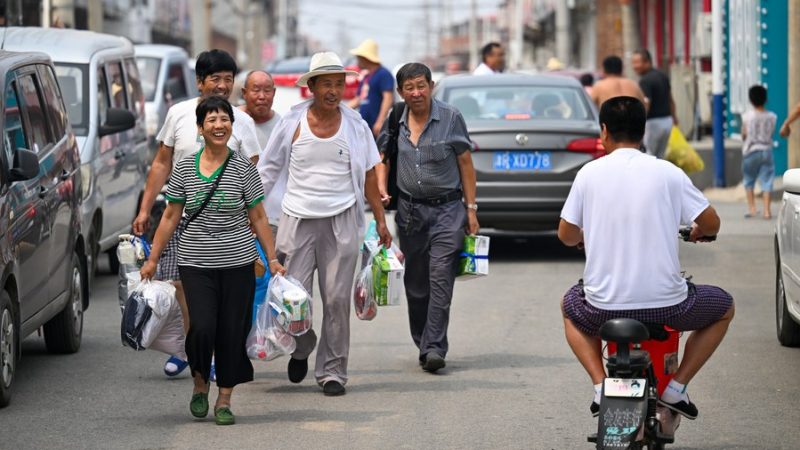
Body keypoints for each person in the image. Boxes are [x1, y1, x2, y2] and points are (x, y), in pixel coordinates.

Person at [558, 96, 734, 420]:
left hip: (601, 309)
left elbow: (566, 235)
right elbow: (712, 223)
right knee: (724, 307)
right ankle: (676, 389)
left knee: (569, 306)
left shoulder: (588, 174)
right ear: (643, 133)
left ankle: (601, 386)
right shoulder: (668, 173)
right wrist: (697, 231)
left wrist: (586, 235)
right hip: (669, 305)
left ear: (604, 131)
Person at [140, 96, 285, 425]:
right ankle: (200, 383)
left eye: (225, 120)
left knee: (233, 332)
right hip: (196, 263)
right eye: (212, 120)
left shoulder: (243, 168)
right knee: (202, 328)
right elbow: (170, 216)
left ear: (232, 126)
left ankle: (224, 399)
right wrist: (152, 259)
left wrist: (272, 258)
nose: (219, 126)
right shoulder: (185, 167)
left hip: (238, 263)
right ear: (200, 128)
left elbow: (259, 216)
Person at [258, 51, 392, 396]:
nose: (333, 91)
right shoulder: (292, 122)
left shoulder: (356, 125)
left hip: (343, 219)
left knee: (335, 300)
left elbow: (368, 177)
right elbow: (268, 171)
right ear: (312, 87)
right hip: (297, 220)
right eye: (326, 84)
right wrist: (249, 214)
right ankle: (303, 345)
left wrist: (380, 221)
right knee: (293, 299)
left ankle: (333, 371)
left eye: (338, 84)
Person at [132, 49, 261, 379]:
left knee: (221, 295)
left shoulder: (242, 121)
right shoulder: (178, 114)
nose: (222, 85)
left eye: (228, 80)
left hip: (227, 224)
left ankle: (212, 355)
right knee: (182, 286)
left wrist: (247, 214)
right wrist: (146, 208)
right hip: (183, 218)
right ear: (200, 81)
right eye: (215, 79)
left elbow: (252, 169)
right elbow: (162, 162)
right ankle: (194, 348)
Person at [376, 63, 479, 373]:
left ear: (431, 86)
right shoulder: (396, 118)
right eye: (410, 87)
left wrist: (471, 210)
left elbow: (465, 162)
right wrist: (381, 192)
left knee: (440, 277)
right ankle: (423, 339)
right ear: (401, 91)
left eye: (421, 85)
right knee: (416, 283)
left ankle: (434, 347)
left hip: (448, 210)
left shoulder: (450, 117)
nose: (416, 92)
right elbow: (383, 158)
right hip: (410, 213)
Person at [239, 70, 282, 234]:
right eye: (256, 90)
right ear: (244, 93)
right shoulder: (229, 121)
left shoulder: (284, 127)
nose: (262, 96)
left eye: (267, 90)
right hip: (236, 218)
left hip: (272, 220)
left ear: (274, 93)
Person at [632, 49, 678, 158]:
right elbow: (670, 98)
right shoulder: (662, 75)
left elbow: (646, 104)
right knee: (660, 157)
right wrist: (674, 118)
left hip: (653, 124)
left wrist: (639, 124)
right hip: (667, 121)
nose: (634, 66)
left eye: (637, 63)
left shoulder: (645, 80)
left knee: (648, 155)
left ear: (647, 62)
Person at [741, 85, 777, 219]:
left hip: (750, 151)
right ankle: (767, 211)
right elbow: (771, 133)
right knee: (767, 180)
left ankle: (752, 209)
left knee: (749, 180)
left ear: (751, 100)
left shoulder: (746, 116)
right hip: (767, 150)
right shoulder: (772, 116)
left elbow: (744, 134)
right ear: (765, 99)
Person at [347, 39, 395, 137]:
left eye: (359, 58)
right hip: (364, 125)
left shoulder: (383, 74)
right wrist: (339, 109)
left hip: (376, 126)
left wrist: (380, 121)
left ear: (366, 58)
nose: (357, 61)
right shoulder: (366, 76)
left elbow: (388, 98)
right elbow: (358, 99)